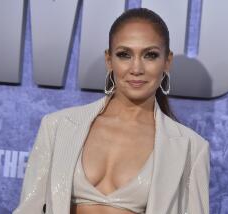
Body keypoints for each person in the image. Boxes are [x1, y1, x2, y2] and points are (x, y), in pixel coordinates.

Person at [13, 7, 210, 214]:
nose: (136, 68)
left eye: (150, 55)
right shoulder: (57, 127)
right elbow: (29, 209)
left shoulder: (191, 148)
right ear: (109, 60)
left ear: (167, 61)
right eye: (124, 55)